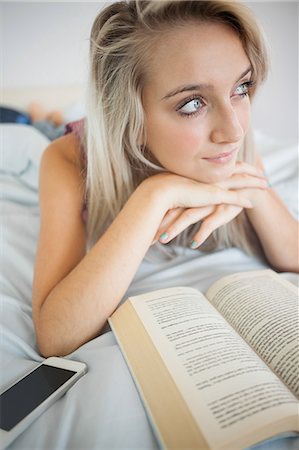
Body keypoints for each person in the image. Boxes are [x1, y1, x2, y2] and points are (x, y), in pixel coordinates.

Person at [32, 0, 299, 357]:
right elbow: (56, 336)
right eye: (192, 103)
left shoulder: (234, 136)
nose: (234, 132)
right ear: (132, 119)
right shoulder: (67, 159)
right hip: (80, 138)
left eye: (241, 87)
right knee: (41, 124)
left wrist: (253, 191)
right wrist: (155, 194)